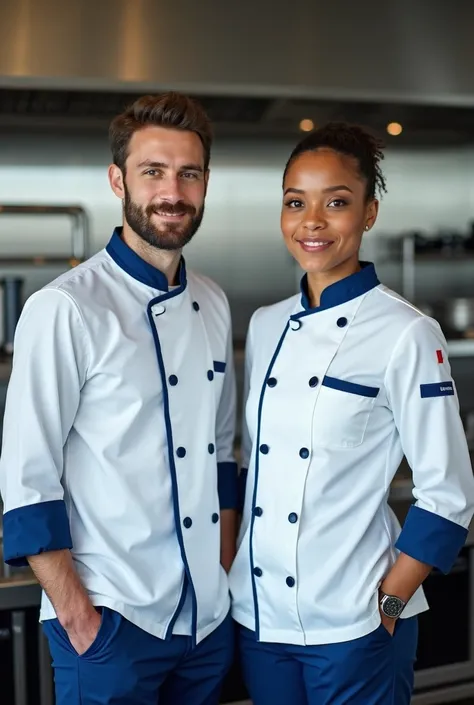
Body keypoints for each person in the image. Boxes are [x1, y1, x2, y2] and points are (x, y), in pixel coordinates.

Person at [0, 92, 238, 705]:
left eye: (189, 173)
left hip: (206, 625)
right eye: (153, 171)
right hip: (113, 623)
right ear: (118, 179)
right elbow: (28, 482)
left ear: (206, 183)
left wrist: (224, 575)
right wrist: (81, 620)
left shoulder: (212, 302)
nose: (173, 192)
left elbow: (223, 459)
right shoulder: (66, 308)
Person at [229, 123, 474, 705]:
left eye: (336, 202)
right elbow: (252, 467)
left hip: (355, 620)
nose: (312, 220)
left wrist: (387, 604)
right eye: (296, 202)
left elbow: (451, 492)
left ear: (368, 213)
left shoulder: (407, 332)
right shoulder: (264, 326)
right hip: (261, 618)